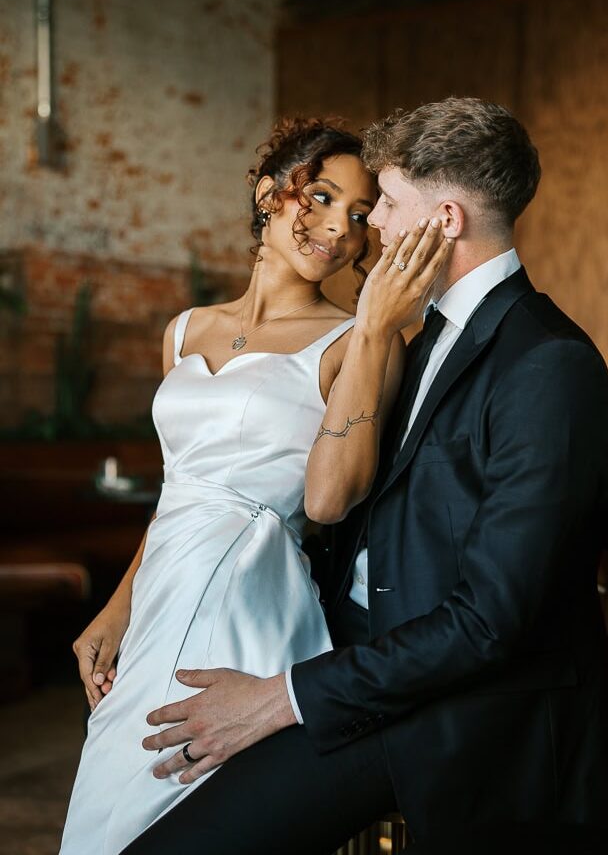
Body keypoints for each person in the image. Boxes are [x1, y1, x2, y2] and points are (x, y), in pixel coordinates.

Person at [123, 97, 608, 855]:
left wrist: (282, 698)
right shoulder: (425, 339)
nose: (373, 230)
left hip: (462, 717)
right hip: (357, 671)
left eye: (387, 204)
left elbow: (490, 622)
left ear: (446, 221)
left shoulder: (549, 365)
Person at [60, 117, 438, 854]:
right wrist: (117, 606)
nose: (337, 228)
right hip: (162, 594)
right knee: (106, 819)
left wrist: (371, 331)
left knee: (192, 816)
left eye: (360, 216)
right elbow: (184, 488)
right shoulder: (184, 330)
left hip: (246, 600)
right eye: (320, 197)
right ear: (270, 195)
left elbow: (333, 499)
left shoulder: (357, 340)